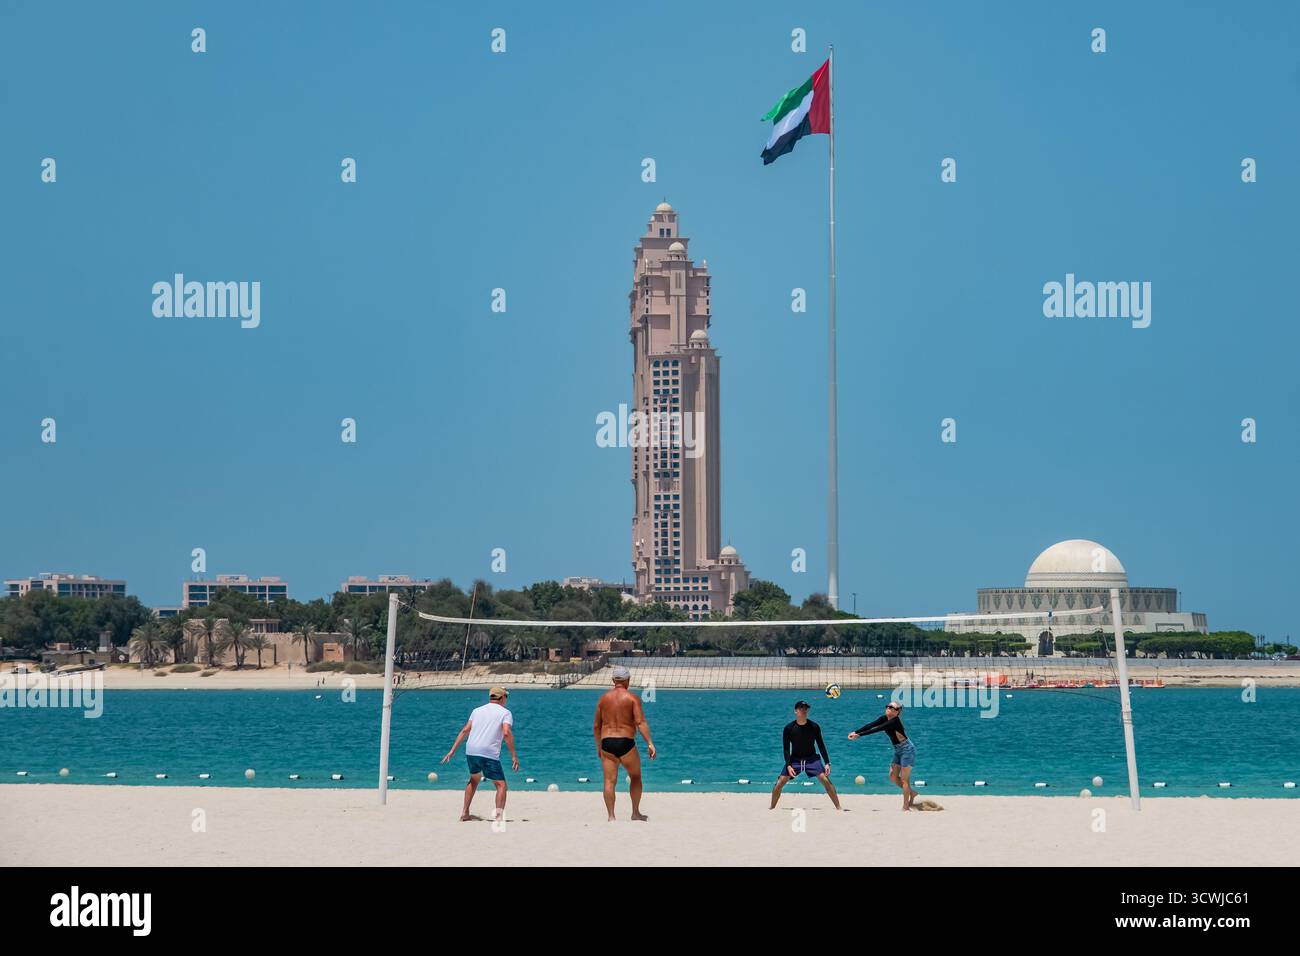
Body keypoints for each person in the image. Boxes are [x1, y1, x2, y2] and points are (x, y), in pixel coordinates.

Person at [442, 687, 520, 822]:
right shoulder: (505, 713)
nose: (506, 700)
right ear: (502, 698)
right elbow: (506, 733)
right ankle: (499, 817)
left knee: (474, 779)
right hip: (487, 752)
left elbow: (465, 730)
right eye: (506, 697)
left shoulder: (477, 710)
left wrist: (452, 750)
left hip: (471, 750)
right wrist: (513, 755)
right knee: (501, 785)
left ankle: (464, 813)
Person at [593, 666, 656, 821]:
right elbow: (640, 722)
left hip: (607, 742)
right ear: (628, 680)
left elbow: (596, 726)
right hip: (626, 742)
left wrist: (599, 747)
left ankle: (611, 817)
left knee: (609, 781)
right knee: (635, 776)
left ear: (613, 680)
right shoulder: (632, 698)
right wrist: (649, 743)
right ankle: (635, 813)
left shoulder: (603, 699)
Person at [770, 700, 841, 810]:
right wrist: (788, 765)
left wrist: (827, 762)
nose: (804, 710)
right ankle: (772, 808)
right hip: (795, 760)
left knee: (826, 780)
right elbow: (786, 749)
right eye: (801, 708)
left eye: (806, 708)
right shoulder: (788, 728)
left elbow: (821, 745)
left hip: (812, 759)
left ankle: (838, 807)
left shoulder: (814, 726)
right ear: (795, 711)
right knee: (779, 783)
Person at [848, 701, 918, 810]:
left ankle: (905, 807)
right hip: (898, 749)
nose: (888, 708)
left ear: (897, 711)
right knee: (893, 776)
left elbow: (878, 729)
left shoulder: (895, 721)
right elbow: (871, 725)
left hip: (907, 749)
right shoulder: (884, 718)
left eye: (891, 707)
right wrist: (856, 731)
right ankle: (912, 793)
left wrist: (859, 735)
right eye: (887, 706)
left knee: (905, 780)